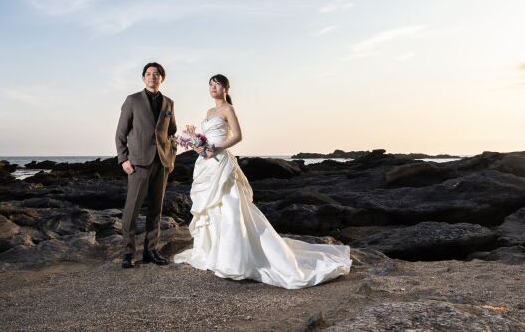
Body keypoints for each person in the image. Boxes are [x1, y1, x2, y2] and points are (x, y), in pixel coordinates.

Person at [174, 74, 351, 289]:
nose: (213, 88)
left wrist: (217, 149)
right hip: (207, 164)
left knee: (230, 207)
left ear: (226, 88)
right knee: (212, 210)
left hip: (222, 163)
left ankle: (235, 259)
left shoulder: (228, 109)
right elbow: (204, 144)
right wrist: (195, 141)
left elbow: (237, 136)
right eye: (210, 84)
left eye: (217, 84)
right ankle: (214, 254)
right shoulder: (209, 112)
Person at [115, 62, 177, 268]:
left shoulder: (169, 103)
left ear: (162, 78)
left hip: (162, 163)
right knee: (131, 210)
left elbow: (172, 133)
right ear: (143, 78)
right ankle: (127, 253)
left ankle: (151, 250)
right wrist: (123, 159)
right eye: (149, 74)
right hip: (138, 164)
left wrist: (172, 157)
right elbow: (120, 134)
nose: (152, 77)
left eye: (156, 74)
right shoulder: (132, 100)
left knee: (156, 209)